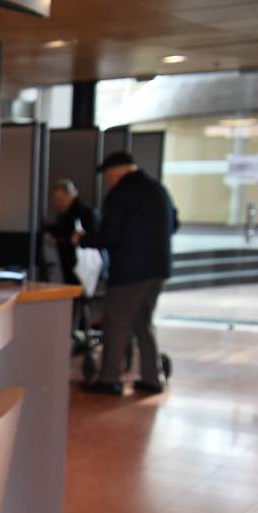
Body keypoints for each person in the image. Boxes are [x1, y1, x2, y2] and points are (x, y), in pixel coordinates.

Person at [77, 151, 178, 395]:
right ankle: (153, 377)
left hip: (131, 272)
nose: (107, 180)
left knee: (116, 322)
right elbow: (174, 224)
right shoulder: (158, 189)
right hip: (158, 269)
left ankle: (109, 379)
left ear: (117, 171)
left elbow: (110, 235)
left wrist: (83, 239)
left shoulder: (122, 193)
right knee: (143, 322)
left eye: (107, 175)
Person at [46, 178, 97, 287]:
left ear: (70, 195)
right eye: (55, 200)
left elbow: (87, 238)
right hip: (70, 264)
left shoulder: (84, 214)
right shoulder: (63, 215)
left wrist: (61, 241)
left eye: (60, 199)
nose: (57, 204)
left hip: (81, 264)